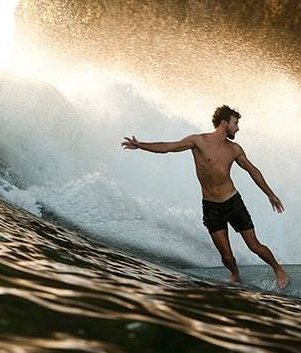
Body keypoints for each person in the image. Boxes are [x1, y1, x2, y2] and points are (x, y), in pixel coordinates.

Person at [121, 105, 290, 289]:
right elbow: (168, 147)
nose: (238, 128)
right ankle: (235, 273)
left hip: (233, 203)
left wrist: (270, 194)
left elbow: (253, 172)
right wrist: (141, 145)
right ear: (224, 123)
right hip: (211, 207)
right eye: (235, 123)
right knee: (226, 257)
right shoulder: (198, 141)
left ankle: (278, 269)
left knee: (254, 246)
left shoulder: (235, 149)